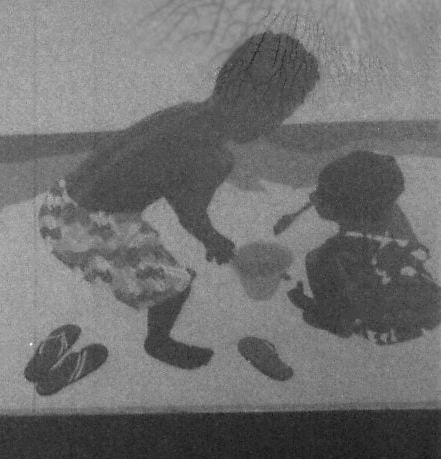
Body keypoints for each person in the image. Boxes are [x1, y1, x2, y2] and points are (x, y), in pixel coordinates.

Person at [38, 31, 320, 370]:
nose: (272, 126)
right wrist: (215, 241)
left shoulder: (184, 113)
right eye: (276, 116)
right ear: (256, 108)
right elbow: (191, 215)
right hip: (82, 231)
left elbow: (154, 172)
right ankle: (158, 342)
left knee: (138, 235)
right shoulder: (212, 157)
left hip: (56, 204)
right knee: (176, 283)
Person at [285, 149, 440, 344]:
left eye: (322, 195)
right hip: (426, 313)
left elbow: (340, 326)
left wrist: (306, 305)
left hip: (382, 335)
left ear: (346, 210)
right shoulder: (393, 218)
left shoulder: (326, 258)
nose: (313, 196)